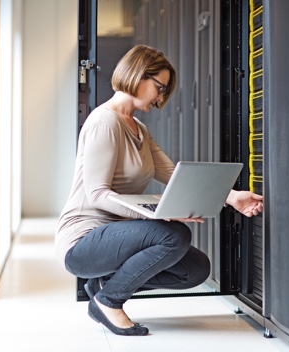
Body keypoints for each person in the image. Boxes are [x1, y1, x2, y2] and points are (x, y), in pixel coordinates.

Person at [55, 44, 263, 336]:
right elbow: (97, 195)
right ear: (139, 76)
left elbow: (171, 173)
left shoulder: (138, 127)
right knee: (174, 235)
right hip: (84, 239)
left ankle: (106, 286)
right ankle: (109, 301)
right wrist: (153, 216)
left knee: (195, 269)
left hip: (119, 236)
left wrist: (232, 197)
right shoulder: (104, 122)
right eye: (160, 87)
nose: (162, 96)